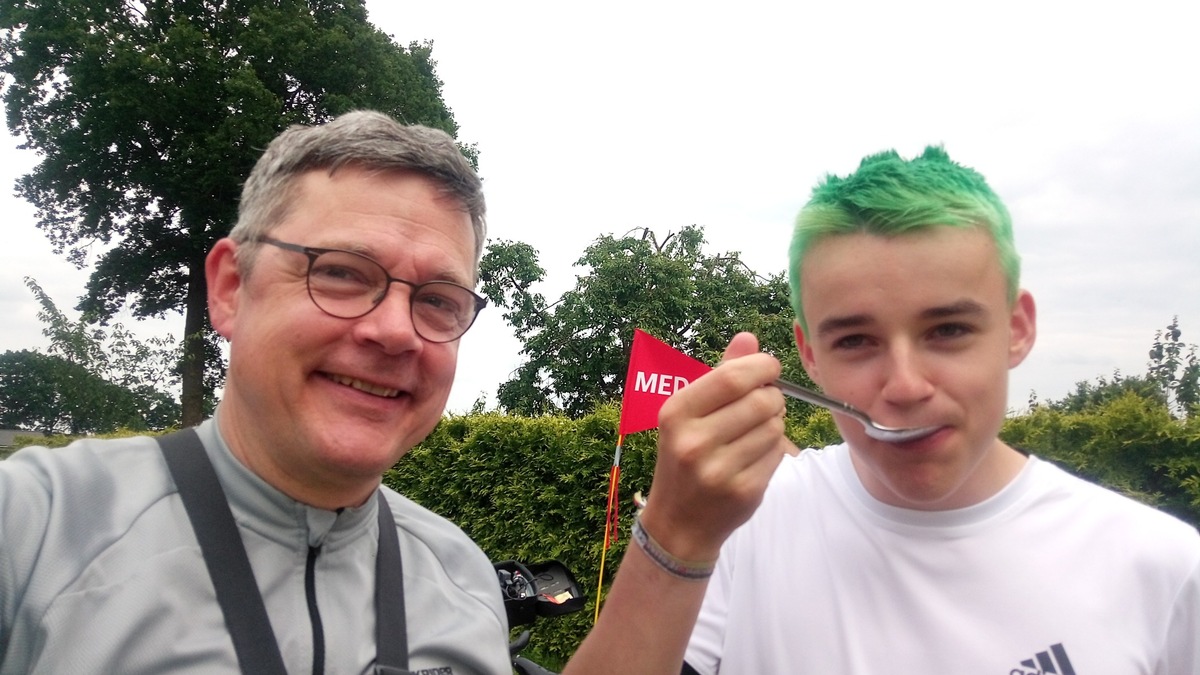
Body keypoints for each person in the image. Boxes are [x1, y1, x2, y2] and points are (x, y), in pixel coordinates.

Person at [566, 146, 1200, 673]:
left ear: (1017, 329)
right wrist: (675, 535)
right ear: (810, 357)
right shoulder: (742, 526)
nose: (903, 385)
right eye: (856, 340)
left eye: (948, 330)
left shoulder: (1162, 570)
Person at [0, 111, 512, 673]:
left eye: (438, 300)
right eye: (341, 272)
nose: (394, 331)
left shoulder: (465, 580)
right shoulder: (35, 529)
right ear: (230, 288)